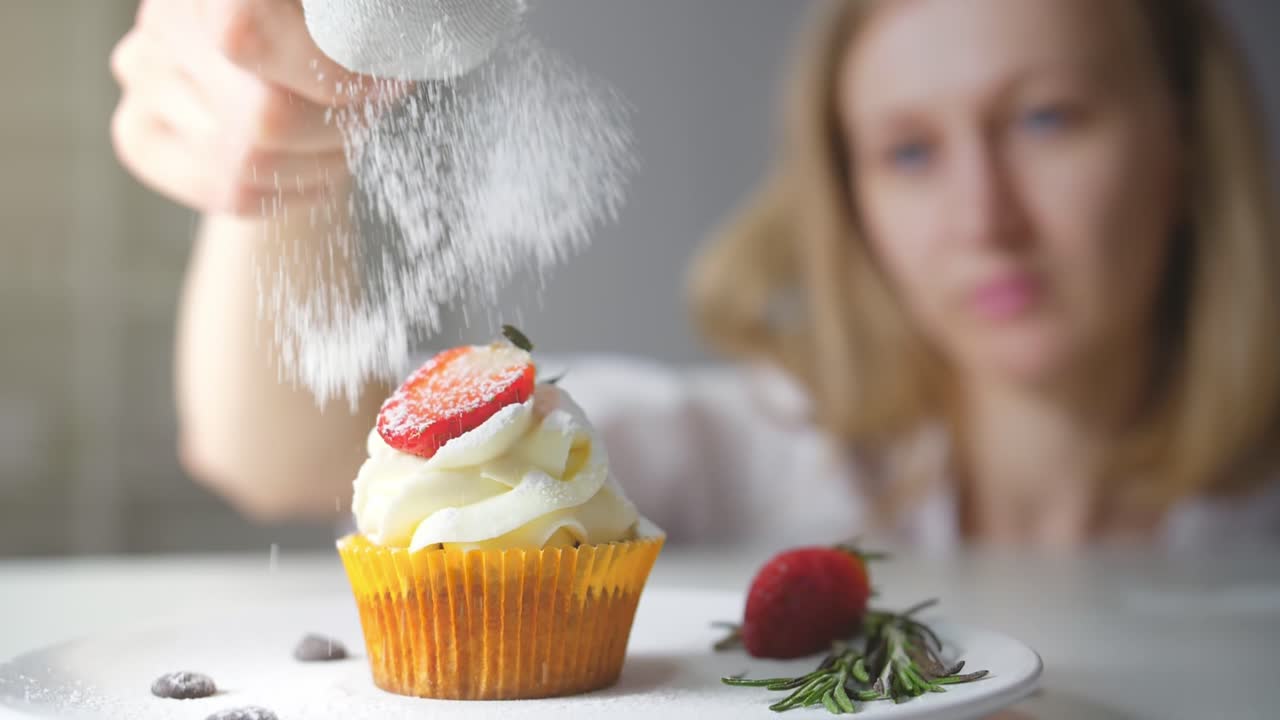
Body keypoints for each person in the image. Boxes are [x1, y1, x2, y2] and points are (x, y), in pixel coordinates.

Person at [111, 0, 1280, 547]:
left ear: (1182, 137)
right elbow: (275, 457)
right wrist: (278, 145)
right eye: (909, 150)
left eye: (1046, 120)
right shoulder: (747, 459)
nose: (984, 218)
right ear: (850, 198)